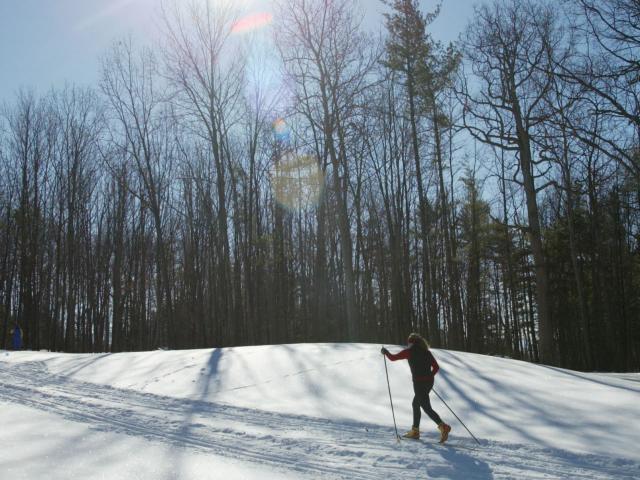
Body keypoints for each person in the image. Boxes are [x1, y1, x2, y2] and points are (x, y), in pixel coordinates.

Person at [381, 333, 451, 442]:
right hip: (428, 382)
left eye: (408, 342)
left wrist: (385, 352)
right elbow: (436, 367)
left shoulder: (409, 352)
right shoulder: (427, 352)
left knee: (426, 407)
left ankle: (443, 427)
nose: (407, 344)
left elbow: (393, 358)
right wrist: (429, 376)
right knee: (416, 404)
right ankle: (415, 431)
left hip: (419, 384)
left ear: (411, 342)